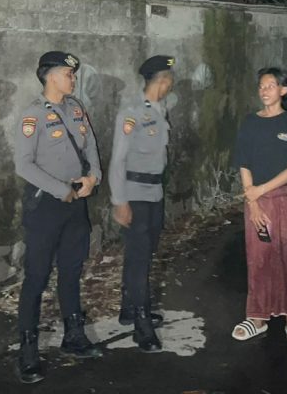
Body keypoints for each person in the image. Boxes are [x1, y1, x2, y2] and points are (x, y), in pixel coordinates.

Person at [14, 51, 103, 384]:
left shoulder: (76, 108)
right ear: (50, 76)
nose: (73, 78)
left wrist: (93, 178)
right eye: (68, 73)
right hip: (46, 207)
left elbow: (90, 146)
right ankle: (28, 350)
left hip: (76, 202)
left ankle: (74, 335)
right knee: (36, 277)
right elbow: (23, 165)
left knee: (71, 270)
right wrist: (59, 189)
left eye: (73, 74)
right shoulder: (33, 115)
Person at [230, 67, 287, 348]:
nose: (264, 91)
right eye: (261, 86)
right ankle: (257, 317)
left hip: (285, 198)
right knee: (258, 257)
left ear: (283, 91)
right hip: (256, 199)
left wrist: (260, 190)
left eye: (271, 86)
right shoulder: (250, 123)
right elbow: (244, 163)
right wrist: (253, 202)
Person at [108, 54, 175, 352]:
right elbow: (118, 160)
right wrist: (119, 201)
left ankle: (129, 308)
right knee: (139, 260)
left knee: (144, 255)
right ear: (162, 80)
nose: (171, 84)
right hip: (135, 194)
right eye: (169, 79)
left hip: (155, 193)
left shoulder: (161, 110)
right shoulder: (131, 113)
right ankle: (142, 325)